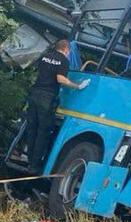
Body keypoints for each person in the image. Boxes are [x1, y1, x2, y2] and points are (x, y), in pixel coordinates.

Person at [26, 39, 87, 174]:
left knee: (32, 129)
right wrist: (78, 86)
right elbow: (60, 79)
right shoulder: (63, 61)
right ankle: (35, 166)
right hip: (47, 98)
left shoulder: (45, 57)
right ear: (66, 49)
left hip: (35, 94)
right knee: (43, 132)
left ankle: (29, 161)